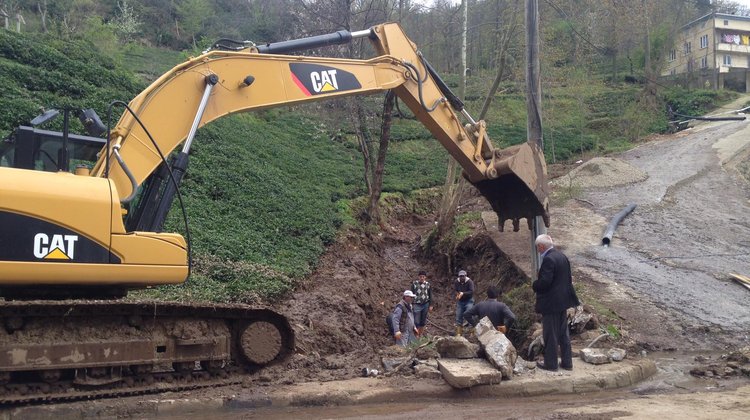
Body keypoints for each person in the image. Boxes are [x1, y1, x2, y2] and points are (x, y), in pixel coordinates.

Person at [532, 234, 580, 372]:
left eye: (538, 248)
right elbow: (568, 279)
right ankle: (567, 362)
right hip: (563, 302)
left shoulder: (548, 260)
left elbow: (545, 282)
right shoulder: (562, 256)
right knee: (563, 333)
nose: (538, 250)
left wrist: (535, 284)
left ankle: (551, 364)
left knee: (550, 334)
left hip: (551, 303)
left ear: (541, 246)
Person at [411, 270, 433, 336]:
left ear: (425, 277)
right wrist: (411, 304)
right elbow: (412, 294)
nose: (422, 278)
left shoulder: (428, 284)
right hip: (416, 304)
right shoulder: (414, 284)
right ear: (418, 277)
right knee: (416, 321)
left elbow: (430, 295)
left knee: (423, 320)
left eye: (423, 277)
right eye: (420, 276)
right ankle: (416, 334)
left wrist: (431, 305)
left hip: (425, 304)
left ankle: (420, 334)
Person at [453, 270, 474, 336]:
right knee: (458, 315)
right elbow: (456, 290)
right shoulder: (457, 282)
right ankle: (459, 333)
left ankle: (472, 332)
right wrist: (457, 294)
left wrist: (463, 293)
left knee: (469, 314)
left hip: (469, 300)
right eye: (460, 276)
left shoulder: (469, 282)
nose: (462, 278)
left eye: (463, 276)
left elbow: (471, 291)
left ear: (465, 276)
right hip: (460, 301)